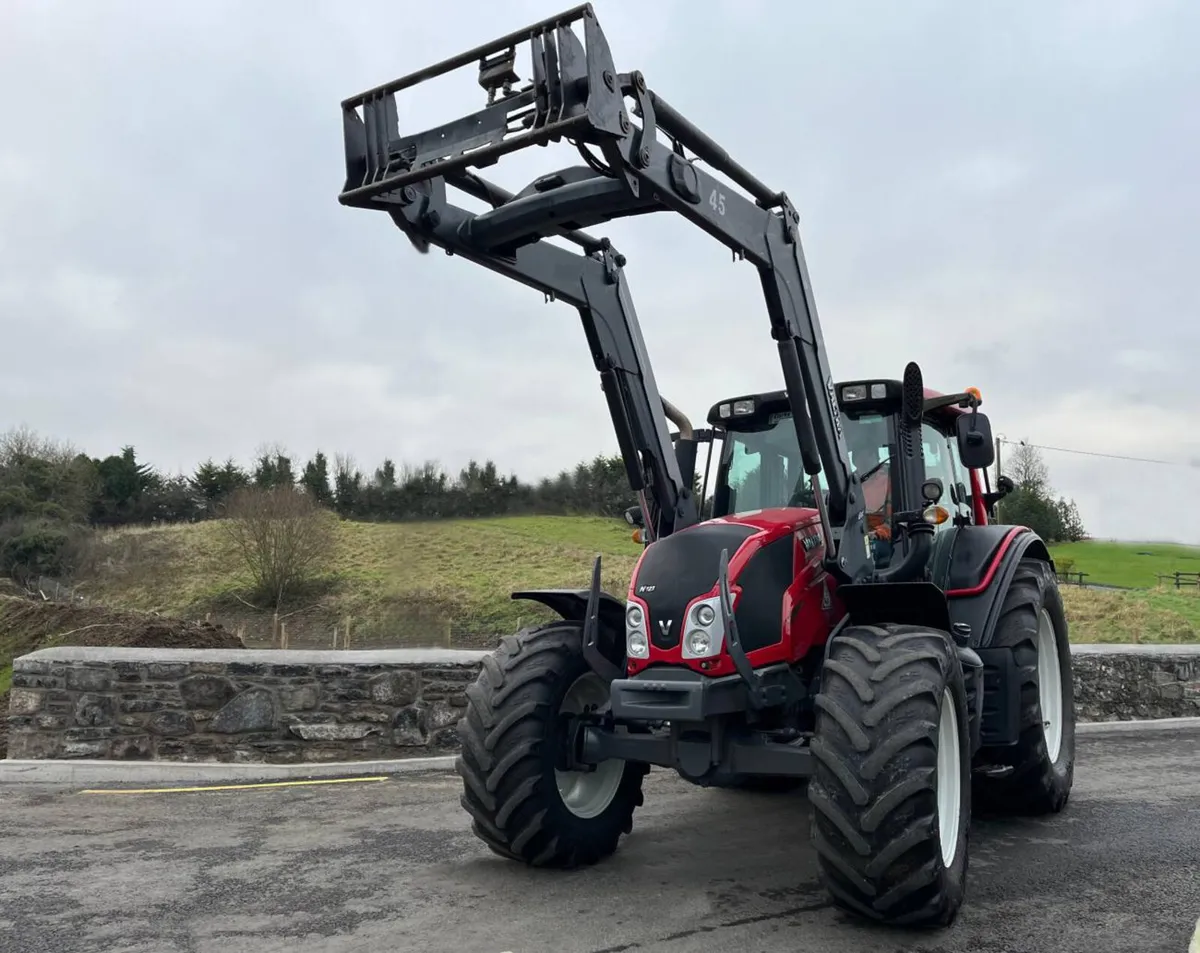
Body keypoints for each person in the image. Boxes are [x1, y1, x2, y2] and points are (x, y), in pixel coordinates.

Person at [845, 418, 894, 562]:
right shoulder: (850, 483)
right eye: (859, 457)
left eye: (868, 455)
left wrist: (877, 533)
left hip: (881, 538)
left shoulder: (889, 479)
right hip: (853, 537)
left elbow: (893, 520)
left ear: (876, 457)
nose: (863, 460)